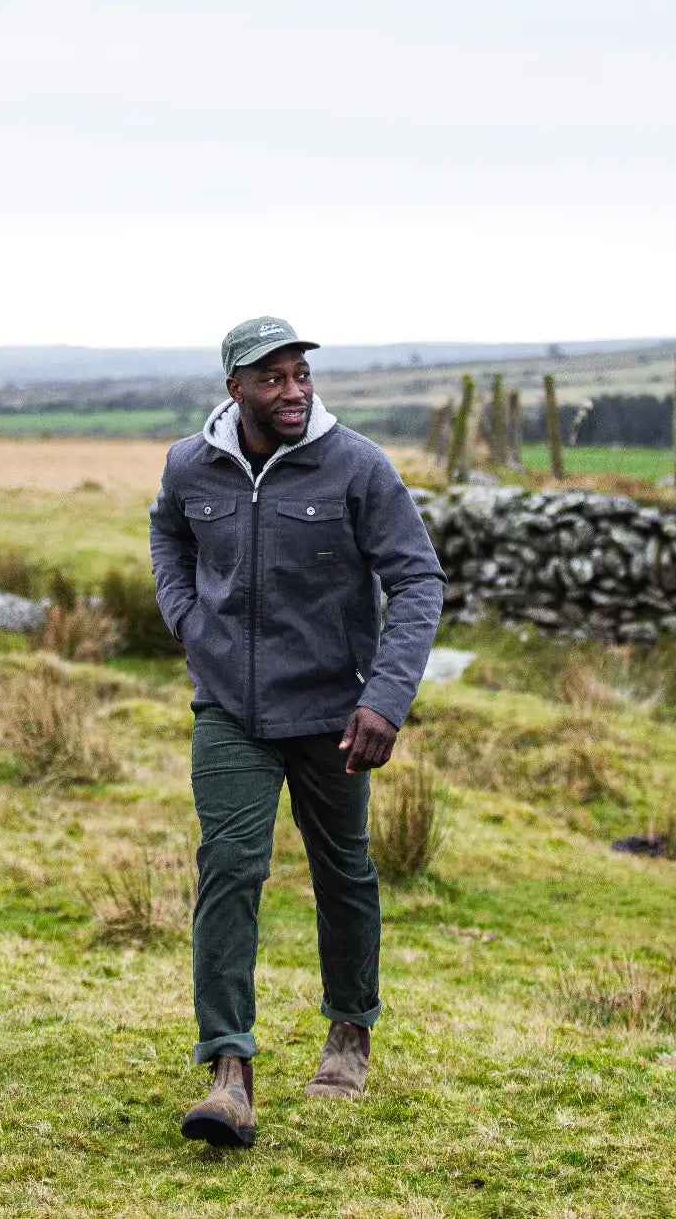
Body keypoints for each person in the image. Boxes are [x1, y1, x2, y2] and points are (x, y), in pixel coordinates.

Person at [149, 316, 445, 1148]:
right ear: (234, 387)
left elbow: (418, 578)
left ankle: (350, 1032)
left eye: (301, 374)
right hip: (230, 713)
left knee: (342, 870)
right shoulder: (190, 463)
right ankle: (229, 1071)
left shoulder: (355, 465)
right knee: (229, 870)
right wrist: (185, 617)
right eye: (273, 378)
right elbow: (167, 532)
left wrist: (386, 699)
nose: (294, 390)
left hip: (332, 713)